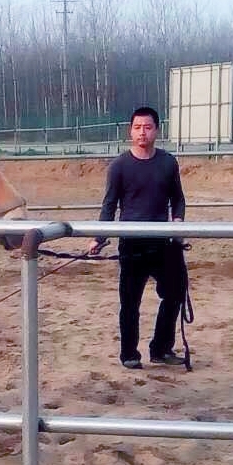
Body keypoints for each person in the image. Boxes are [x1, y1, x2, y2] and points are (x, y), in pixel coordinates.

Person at [88, 106, 188, 369]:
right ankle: (129, 354)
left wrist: (177, 223)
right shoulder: (119, 166)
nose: (142, 132)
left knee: (175, 293)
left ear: (157, 130)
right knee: (130, 302)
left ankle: (161, 349)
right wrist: (99, 237)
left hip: (163, 241)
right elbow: (109, 204)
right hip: (132, 244)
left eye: (148, 127)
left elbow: (178, 199)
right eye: (137, 127)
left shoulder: (168, 162)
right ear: (130, 131)